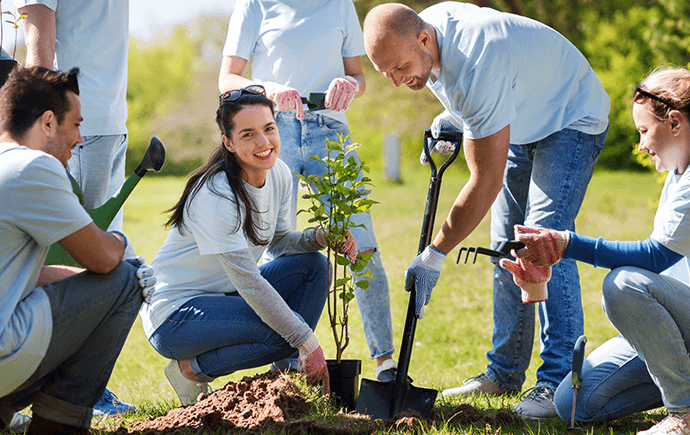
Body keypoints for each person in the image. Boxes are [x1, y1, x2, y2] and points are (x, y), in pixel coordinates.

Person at [498, 67, 690, 435]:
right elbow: (663, 269)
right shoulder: (680, 174)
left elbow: (654, 258)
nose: (642, 145)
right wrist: (547, 266)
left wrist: (564, 244)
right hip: (688, 328)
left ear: (675, 122)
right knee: (572, 404)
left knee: (624, 284)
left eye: (645, 131)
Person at [363, 2, 610, 417]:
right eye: (386, 72)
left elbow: (485, 181)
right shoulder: (430, 30)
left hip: (571, 115)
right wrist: (454, 115)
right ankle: (504, 372)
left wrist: (434, 255)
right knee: (505, 247)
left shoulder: (479, 64)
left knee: (544, 242)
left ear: (424, 39)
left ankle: (557, 385)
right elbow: (468, 87)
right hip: (522, 116)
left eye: (400, 67)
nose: (397, 81)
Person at [139, 85, 357, 406]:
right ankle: (189, 369)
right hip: (175, 315)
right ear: (228, 142)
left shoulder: (278, 173)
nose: (263, 142)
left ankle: (287, 377)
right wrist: (306, 341)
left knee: (313, 266)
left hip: (225, 296)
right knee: (285, 333)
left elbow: (280, 243)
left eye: (269, 129)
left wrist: (321, 238)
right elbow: (250, 282)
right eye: (248, 134)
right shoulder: (215, 194)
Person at [218, 0, 399, 382]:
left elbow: (359, 77)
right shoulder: (255, 4)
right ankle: (282, 364)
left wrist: (351, 84)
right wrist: (267, 88)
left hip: (329, 130)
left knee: (362, 245)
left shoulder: (339, 4)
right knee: (274, 245)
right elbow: (228, 80)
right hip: (273, 130)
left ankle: (386, 365)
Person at [0, 66, 150, 435]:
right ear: (48, 122)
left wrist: (79, 281)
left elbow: (26, 275)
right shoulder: (32, 166)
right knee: (128, 279)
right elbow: (102, 257)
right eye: (76, 123)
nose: (80, 138)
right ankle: (57, 427)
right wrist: (124, 248)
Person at [16, 0, 136, 416]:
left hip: (108, 121)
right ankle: (69, 393)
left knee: (105, 262)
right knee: (91, 260)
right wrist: (47, 127)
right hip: (74, 125)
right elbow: (39, 49)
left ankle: (81, 389)